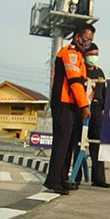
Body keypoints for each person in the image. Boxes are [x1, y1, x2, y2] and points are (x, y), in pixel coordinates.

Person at [44, 23, 94, 195]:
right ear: (78, 37)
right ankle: (52, 180)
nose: (88, 43)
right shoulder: (70, 53)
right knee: (62, 142)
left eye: (91, 41)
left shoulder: (79, 56)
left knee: (70, 142)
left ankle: (62, 178)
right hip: (63, 103)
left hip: (72, 104)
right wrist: (84, 106)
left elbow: (82, 84)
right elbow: (74, 82)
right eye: (87, 39)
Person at [73, 43, 110, 188]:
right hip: (82, 110)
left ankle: (99, 178)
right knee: (79, 143)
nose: (94, 57)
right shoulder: (81, 71)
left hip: (97, 111)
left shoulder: (100, 72)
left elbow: (104, 92)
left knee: (97, 145)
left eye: (96, 54)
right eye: (91, 54)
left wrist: (104, 108)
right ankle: (76, 177)